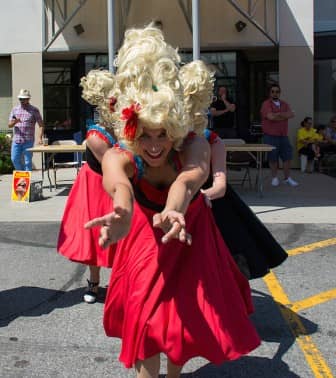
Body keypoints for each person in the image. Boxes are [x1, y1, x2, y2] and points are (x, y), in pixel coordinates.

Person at [84, 24, 260, 378]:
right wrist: (122, 208)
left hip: (188, 232)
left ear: (175, 129)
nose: (153, 145)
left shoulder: (193, 145)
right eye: (145, 135)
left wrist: (174, 210)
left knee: (183, 319)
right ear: (131, 131)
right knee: (144, 318)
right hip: (144, 237)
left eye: (162, 134)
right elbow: (116, 180)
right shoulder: (120, 154)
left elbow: (188, 178)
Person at [57, 70, 117, 304]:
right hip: (95, 189)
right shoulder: (95, 136)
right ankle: (93, 282)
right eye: (113, 102)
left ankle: (124, 281)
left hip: (113, 186)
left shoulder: (121, 130)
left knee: (125, 235)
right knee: (96, 236)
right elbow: (114, 164)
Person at [202, 129, 288, 280]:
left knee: (230, 257)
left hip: (210, 203)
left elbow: (220, 187)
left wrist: (197, 197)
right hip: (176, 204)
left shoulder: (212, 139)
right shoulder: (164, 136)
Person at [260, 84, 298, 187]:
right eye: (273, 91)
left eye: (277, 91)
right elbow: (270, 117)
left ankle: (287, 178)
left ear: (279, 93)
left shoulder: (284, 104)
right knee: (273, 158)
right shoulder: (266, 104)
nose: (275, 93)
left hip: (283, 135)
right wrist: (283, 115)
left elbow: (292, 114)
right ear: (270, 93)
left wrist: (277, 115)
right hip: (271, 135)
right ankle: (274, 178)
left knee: (287, 157)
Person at [8, 89, 44, 171]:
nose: (21, 101)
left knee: (28, 162)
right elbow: (9, 125)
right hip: (16, 140)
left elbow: (41, 125)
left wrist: (39, 138)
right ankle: (22, 177)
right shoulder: (15, 109)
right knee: (14, 159)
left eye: (23, 99)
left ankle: (27, 181)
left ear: (28, 99)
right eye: (20, 99)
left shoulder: (34, 110)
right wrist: (15, 121)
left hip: (28, 140)